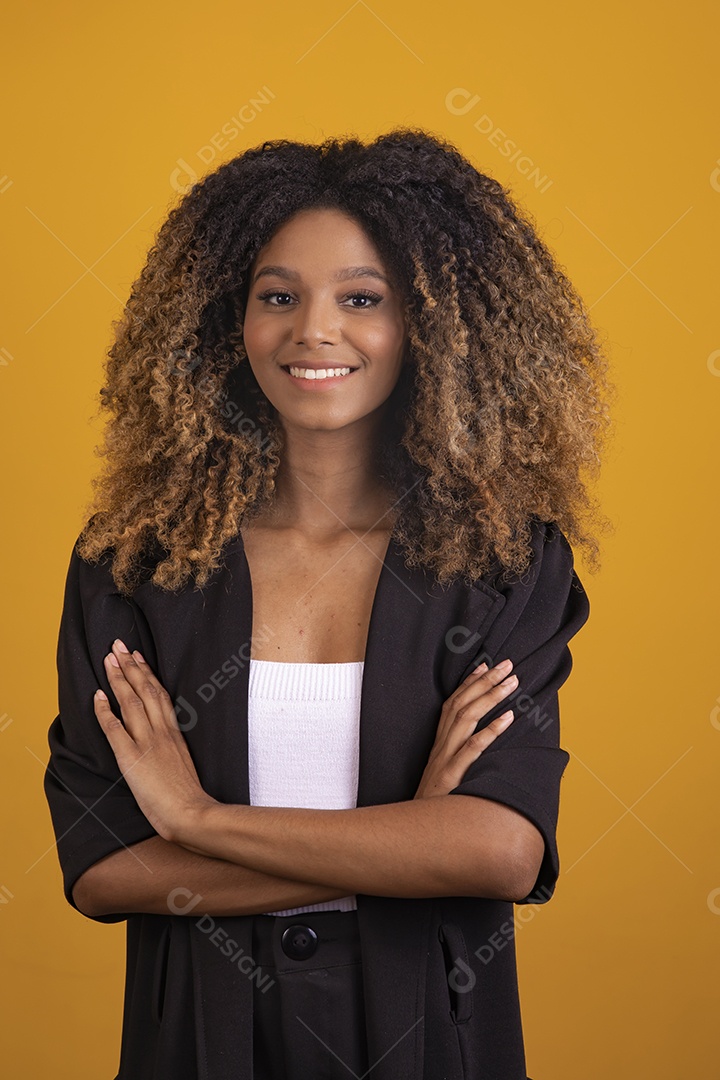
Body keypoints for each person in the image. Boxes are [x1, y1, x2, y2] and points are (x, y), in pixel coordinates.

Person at [43, 128, 612, 1080]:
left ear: (432, 324)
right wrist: (402, 842)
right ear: (226, 319)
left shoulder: (503, 564)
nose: (313, 329)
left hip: (430, 1046)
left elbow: (500, 851)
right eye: (278, 296)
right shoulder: (135, 564)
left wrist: (196, 821)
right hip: (201, 1048)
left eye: (362, 298)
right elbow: (102, 868)